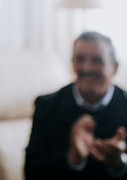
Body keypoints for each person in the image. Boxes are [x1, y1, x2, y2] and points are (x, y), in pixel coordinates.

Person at [25, 31, 127, 179]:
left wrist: (118, 163)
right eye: (80, 59)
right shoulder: (47, 106)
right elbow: (31, 173)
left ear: (115, 67)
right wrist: (72, 157)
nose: (87, 68)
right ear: (72, 64)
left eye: (97, 60)